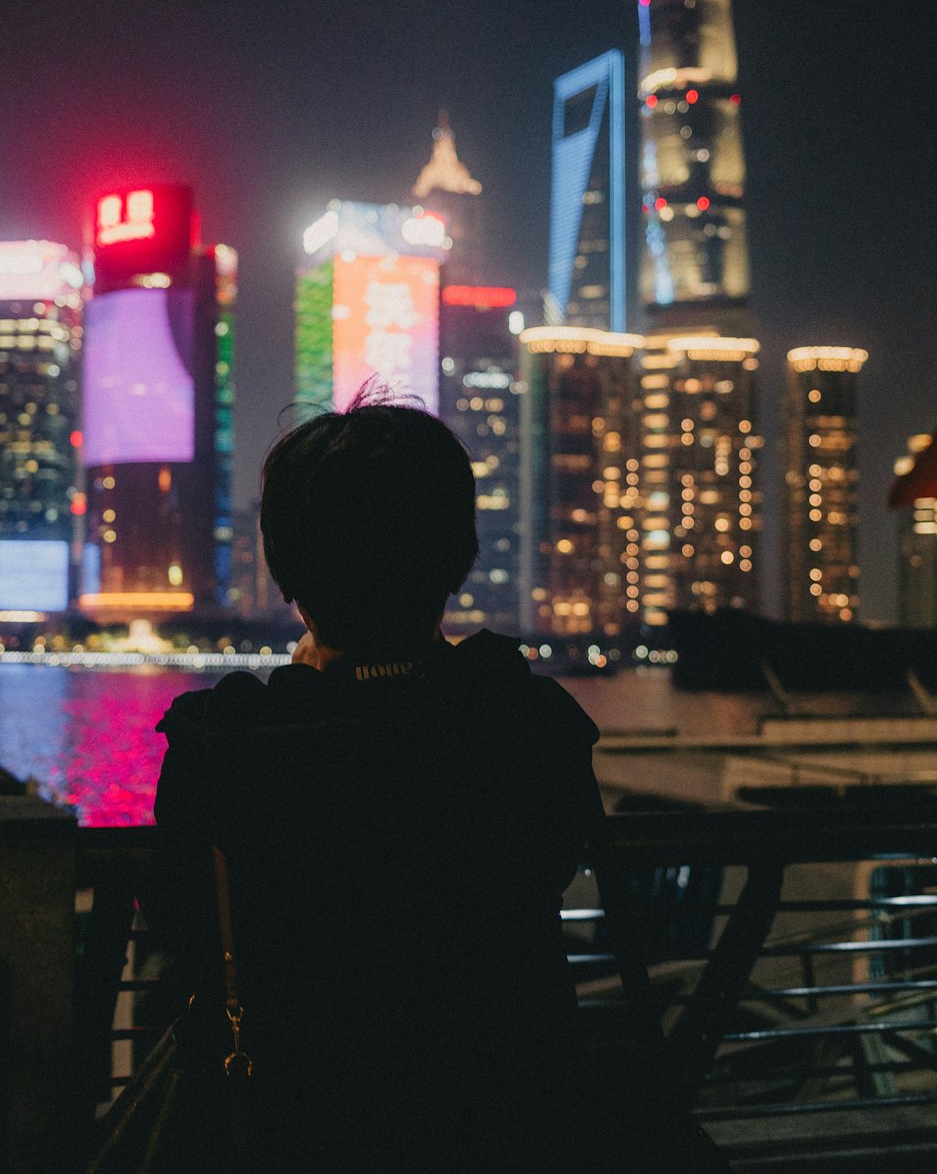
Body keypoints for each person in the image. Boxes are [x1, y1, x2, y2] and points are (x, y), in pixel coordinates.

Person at [142, 393, 603, 1171]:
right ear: (459, 554)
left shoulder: (224, 743)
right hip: (504, 1114)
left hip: (297, 1119)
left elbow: (181, 929)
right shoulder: (529, 723)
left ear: (284, 566)